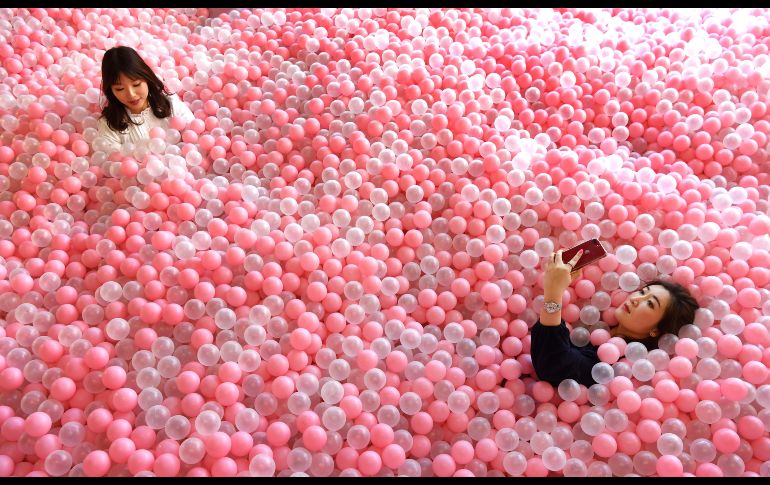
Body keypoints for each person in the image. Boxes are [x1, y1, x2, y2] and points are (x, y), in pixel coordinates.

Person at [530, 249, 699, 387]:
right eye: (642, 292)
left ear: (656, 330)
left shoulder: (618, 367)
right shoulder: (598, 326)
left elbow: (552, 365)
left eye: (650, 304)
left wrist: (554, 291)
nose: (636, 299)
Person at [95, 46, 194, 153]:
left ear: (147, 78)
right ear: (111, 91)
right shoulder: (109, 125)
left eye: (136, 84)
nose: (131, 94)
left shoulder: (170, 103)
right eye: (120, 89)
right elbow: (115, 162)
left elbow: (193, 136)